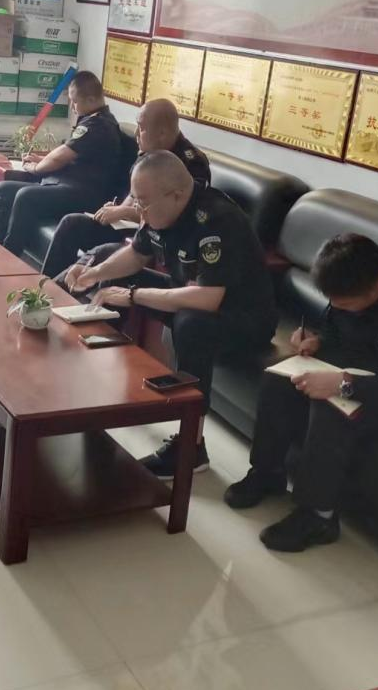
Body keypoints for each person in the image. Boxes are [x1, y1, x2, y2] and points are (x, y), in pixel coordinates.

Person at [224, 234, 378, 552]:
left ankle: (319, 516)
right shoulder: (348, 276)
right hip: (370, 376)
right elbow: (339, 330)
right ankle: (267, 472)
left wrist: (343, 383)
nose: (339, 307)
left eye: (346, 304)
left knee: (334, 404)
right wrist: (317, 342)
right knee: (280, 378)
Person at [66, 151, 276, 478]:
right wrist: (95, 273)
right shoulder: (159, 210)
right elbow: (136, 255)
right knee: (112, 276)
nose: (138, 210)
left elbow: (207, 300)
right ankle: (96, 384)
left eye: (143, 202)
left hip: (244, 319)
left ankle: (191, 448)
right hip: (193, 296)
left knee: (190, 323)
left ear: (177, 195)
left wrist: (134, 295)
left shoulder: (218, 221)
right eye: (136, 200)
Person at [41, 97, 210, 279]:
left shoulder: (192, 163)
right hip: (129, 226)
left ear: (162, 133)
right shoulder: (148, 150)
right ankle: (46, 288)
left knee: (103, 254)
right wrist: (117, 208)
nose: (136, 133)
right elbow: (133, 195)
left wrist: (123, 212)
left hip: (157, 239)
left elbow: (177, 214)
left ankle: (57, 290)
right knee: (71, 224)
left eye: (142, 128)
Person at [0, 71, 123, 258]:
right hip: (67, 186)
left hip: (84, 194)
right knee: (2, 190)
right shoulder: (92, 120)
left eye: (74, 102)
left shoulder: (98, 125)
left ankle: (9, 258)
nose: (72, 107)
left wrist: (35, 168)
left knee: (26, 196)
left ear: (91, 100)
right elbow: (68, 153)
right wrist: (41, 160)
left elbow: (60, 157)